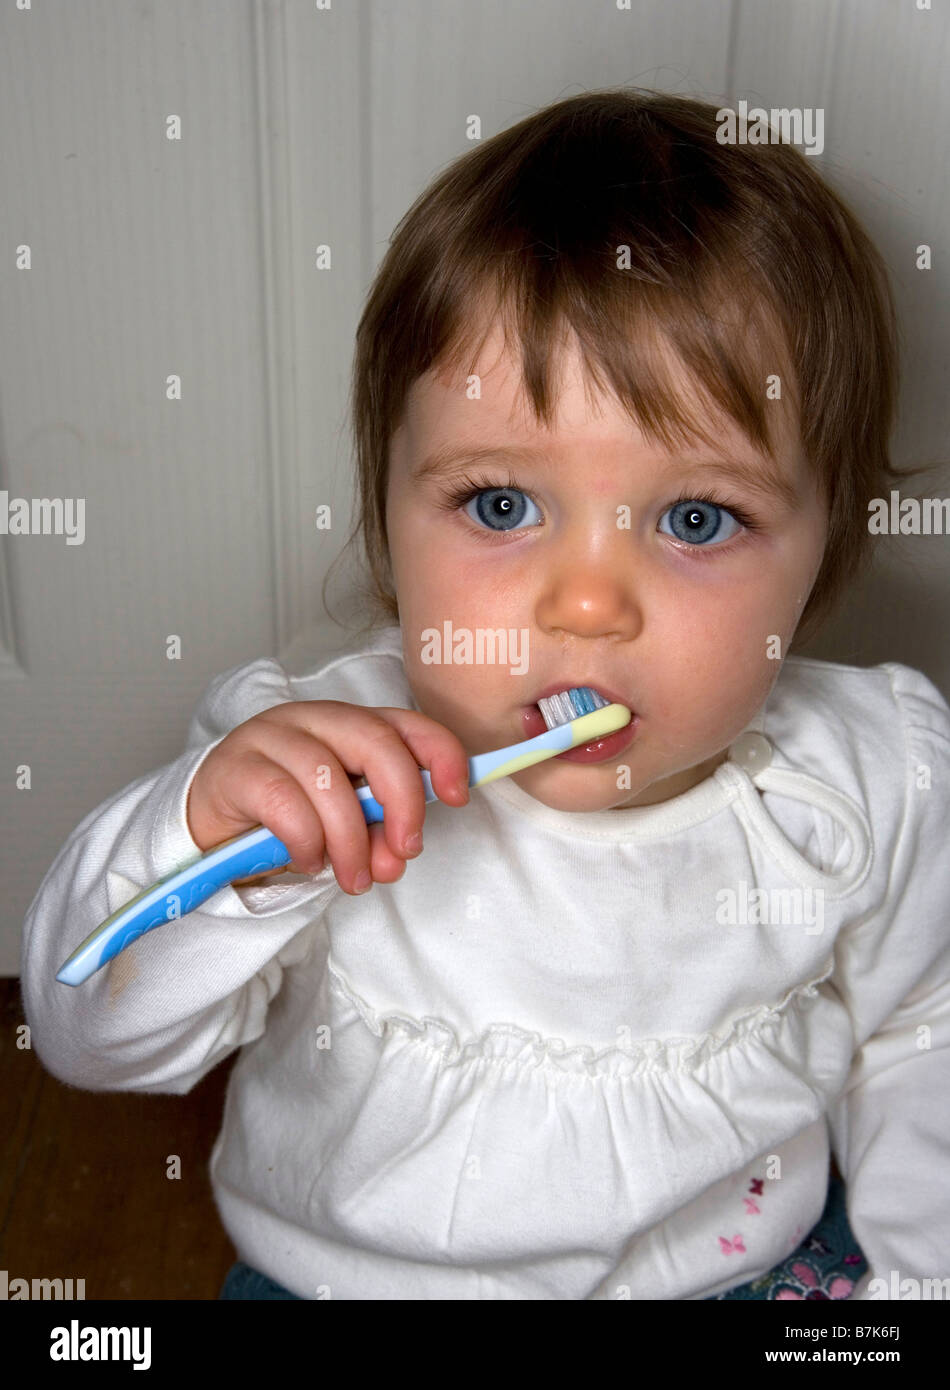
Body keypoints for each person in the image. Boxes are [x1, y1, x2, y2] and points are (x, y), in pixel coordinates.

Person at [20, 88, 950, 1301]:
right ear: (387, 524)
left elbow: (918, 1037)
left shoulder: (869, 778)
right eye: (500, 506)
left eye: (694, 518)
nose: (585, 605)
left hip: (743, 1275)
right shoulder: (306, 763)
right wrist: (217, 850)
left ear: (820, 558)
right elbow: (93, 1040)